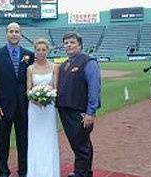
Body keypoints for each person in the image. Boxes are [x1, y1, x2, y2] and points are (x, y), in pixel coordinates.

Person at [0, 22, 34, 177]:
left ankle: (23, 171)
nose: (14, 34)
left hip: (23, 107)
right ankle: (4, 171)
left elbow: (32, 79)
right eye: (11, 31)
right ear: (6, 34)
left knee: (23, 142)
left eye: (17, 31)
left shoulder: (29, 55)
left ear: (21, 34)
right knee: (2, 142)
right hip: (3, 108)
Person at [56, 32, 101, 177]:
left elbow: (94, 88)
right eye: (66, 43)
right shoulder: (64, 65)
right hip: (65, 111)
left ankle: (82, 173)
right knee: (78, 144)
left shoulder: (89, 62)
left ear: (80, 45)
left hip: (79, 112)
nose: (69, 45)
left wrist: (90, 112)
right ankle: (83, 172)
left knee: (81, 145)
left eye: (72, 42)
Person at [26, 38, 60, 177]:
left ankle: (50, 172)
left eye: (44, 50)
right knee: (35, 138)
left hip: (49, 109)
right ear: (35, 51)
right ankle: (35, 172)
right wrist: (36, 99)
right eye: (38, 50)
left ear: (48, 51)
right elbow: (28, 90)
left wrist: (47, 97)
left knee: (49, 137)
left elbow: (55, 89)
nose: (41, 52)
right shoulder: (30, 68)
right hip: (34, 109)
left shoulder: (55, 67)